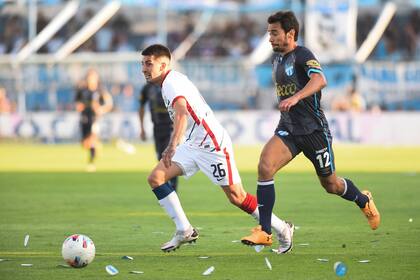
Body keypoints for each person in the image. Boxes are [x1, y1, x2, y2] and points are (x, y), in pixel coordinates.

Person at [241, 11, 380, 247]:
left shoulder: (302, 54)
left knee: (331, 185)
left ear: (291, 33)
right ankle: (265, 231)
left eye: (275, 33)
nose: (270, 39)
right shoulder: (276, 60)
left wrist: (296, 97)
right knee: (265, 166)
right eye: (269, 33)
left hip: (314, 131)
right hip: (289, 129)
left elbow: (320, 80)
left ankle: (362, 198)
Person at [140, 44, 294, 253]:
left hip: (212, 144)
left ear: (163, 64)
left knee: (236, 197)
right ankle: (184, 229)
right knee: (156, 178)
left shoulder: (171, 84)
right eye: (143, 64)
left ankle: (283, 228)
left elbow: (182, 113)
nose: (144, 69)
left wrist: (172, 145)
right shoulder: (171, 80)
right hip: (194, 143)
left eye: (149, 64)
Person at [139, 82, 179, 191]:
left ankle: (172, 190)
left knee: (168, 158)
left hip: (171, 128)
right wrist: (142, 128)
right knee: (160, 159)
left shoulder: (169, 85)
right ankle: (168, 189)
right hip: (156, 128)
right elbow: (141, 106)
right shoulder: (147, 88)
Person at [75, 69, 113, 172]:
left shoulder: (100, 90)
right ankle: (97, 145)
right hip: (84, 117)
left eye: (93, 77)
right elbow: (77, 103)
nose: (91, 79)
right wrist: (79, 106)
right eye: (89, 77)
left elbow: (109, 103)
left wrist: (102, 109)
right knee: (85, 143)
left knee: (92, 140)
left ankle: (91, 163)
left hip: (95, 119)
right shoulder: (82, 90)